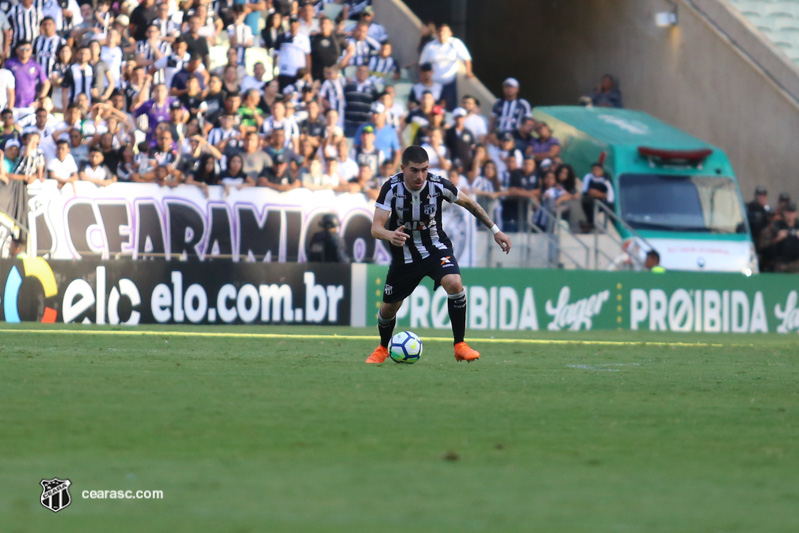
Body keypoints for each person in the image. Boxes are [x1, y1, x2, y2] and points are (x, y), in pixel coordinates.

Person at [366, 145, 512, 364]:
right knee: (389, 309)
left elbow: (470, 204)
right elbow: (375, 228)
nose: (420, 176)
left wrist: (495, 230)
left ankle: (460, 345)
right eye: (414, 170)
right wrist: (389, 235)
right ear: (403, 168)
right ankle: (382, 348)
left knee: (454, 283)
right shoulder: (391, 188)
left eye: (424, 169)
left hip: (435, 248)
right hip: (404, 255)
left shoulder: (438, 185)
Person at [418, 23, 473, 111]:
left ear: (450, 33)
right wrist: (421, 77)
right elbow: (422, 63)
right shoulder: (430, 46)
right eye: (440, 31)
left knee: (449, 108)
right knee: (433, 108)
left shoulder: (455, 43)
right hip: (434, 84)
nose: (441, 33)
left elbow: (466, 58)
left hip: (449, 83)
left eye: (444, 31)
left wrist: (469, 72)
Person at [580, 163, 614, 231]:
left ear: (602, 171)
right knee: (585, 201)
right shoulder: (590, 178)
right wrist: (592, 192)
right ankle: (590, 222)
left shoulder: (606, 179)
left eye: (598, 170)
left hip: (603, 201)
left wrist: (601, 194)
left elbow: (610, 194)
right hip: (592, 199)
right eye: (594, 170)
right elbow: (585, 191)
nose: (596, 172)